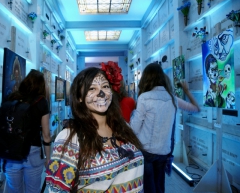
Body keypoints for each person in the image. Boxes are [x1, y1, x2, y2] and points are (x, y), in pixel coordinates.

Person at [45, 67, 144, 192]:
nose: (101, 93)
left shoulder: (123, 127)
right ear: (79, 97)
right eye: (92, 88)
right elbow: (56, 190)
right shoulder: (70, 138)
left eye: (105, 87)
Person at [1, 69, 51, 193]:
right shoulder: (42, 102)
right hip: (33, 151)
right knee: (33, 190)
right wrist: (48, 158)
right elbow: (46, 135)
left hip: (11, 152)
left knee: (13, 190)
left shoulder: (10, 98)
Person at [130, 63, 177, 193]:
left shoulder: (144, 97)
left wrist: (132, 116)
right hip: (164, 150)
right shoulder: (172, 98)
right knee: (159, 185)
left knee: (149, 187)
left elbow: (134, 128)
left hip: (147, 150)